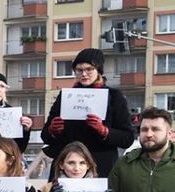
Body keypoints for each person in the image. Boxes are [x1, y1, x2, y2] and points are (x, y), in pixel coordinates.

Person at [40, 48, 135, 177]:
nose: (84, 74)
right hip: (66, 168)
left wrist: (104, 131)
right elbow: (45, 136)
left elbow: (127, 138)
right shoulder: (65, 96)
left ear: (98, 71)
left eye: (89, 69)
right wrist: (53, 130)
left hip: (100, 167)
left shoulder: (113, 97)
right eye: (79, 70)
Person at [0, 71, 33, 154]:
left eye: (2, 86)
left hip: (7, 160)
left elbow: (19, 149)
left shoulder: (12, 113)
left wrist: (26, 130)